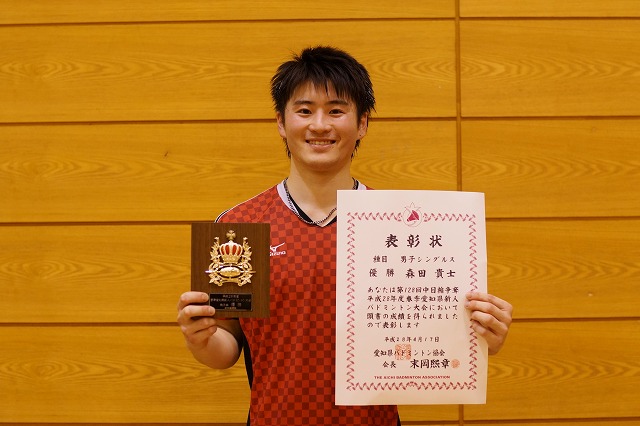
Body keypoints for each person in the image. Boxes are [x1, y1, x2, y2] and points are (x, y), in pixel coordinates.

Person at [177, 46, 513, 426]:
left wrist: (482, 335)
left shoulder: (400, 225)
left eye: (336, 111)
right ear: (281, 122)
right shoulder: (240, 225)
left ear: (362, 123)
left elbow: (438, 333)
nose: (320, 125)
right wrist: (200, 338)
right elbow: (226, 348)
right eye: (305, 111)